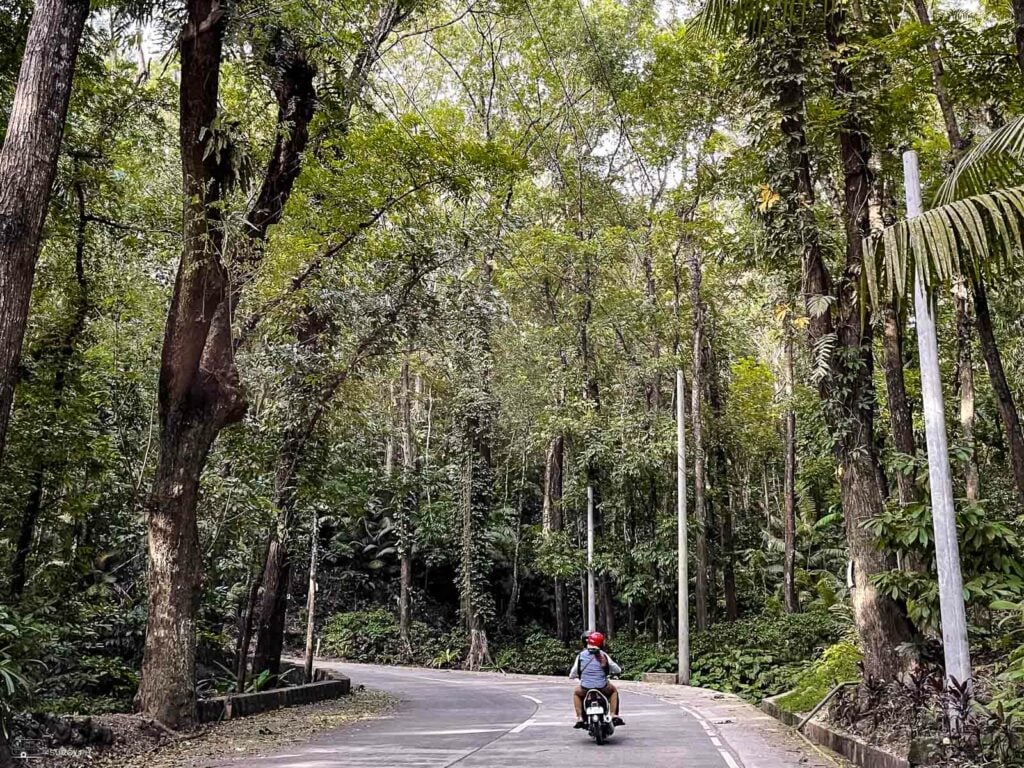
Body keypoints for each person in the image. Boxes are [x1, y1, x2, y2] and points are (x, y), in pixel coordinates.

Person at [569, 631, 624, 728]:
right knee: (613, 691)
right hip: (602, 687)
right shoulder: (603, 655)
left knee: (576, 693)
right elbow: (616, 669)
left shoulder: (581, 656)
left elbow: (574, 671)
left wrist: (572, 676)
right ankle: (613, 714)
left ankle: (579, 717)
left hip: (585, 688)